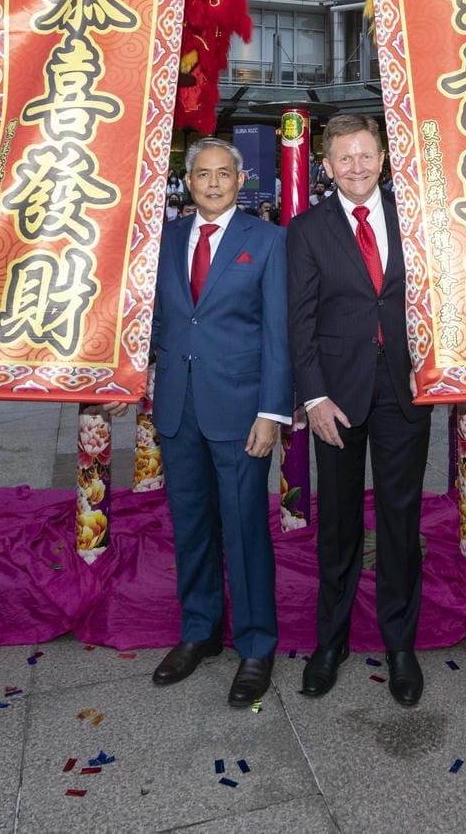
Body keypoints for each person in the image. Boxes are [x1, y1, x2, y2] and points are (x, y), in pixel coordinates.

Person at [287, 114, 431, 707]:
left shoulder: (416, 217)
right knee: (339, 522)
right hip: (336, 398)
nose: (356, 166)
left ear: (382, 159)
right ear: (326, 166)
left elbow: (440, 298)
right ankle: (331, 641)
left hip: (405, 389)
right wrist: (313, 397)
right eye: (344, 157)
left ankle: (400, 645)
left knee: (401, 519)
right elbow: (299, 322)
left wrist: (438, 366)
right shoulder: (306, 229)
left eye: (366, 155)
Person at [148, 138, 290, 707]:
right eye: (202, 174)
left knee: (245, 527)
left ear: (240, 180)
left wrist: (271, 413)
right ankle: (199, 631)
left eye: (223, 174)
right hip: (177, 407)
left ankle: (256, 646)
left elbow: (278, 334)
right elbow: (154, 320)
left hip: (241, 410)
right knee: (191, 525)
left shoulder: (268, 240)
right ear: (187, 181)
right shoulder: (165, 239)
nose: (212, 183)